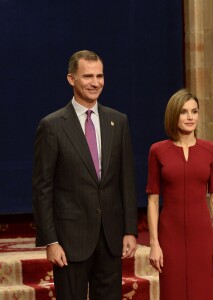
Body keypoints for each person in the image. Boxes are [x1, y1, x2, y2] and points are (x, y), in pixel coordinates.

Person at [32, 50, 138, 300]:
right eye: (88, 76)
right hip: (70, 240)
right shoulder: (52, 126)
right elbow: (42, 188)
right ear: (71, 79)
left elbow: (126, 180)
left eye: (100, 75)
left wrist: (130, 230)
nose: (95, 82)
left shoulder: (118, 121)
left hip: (110, 238)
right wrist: (51, 241)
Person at [146, 89, 213, 299]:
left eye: (194, 111)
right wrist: (155, 244)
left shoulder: (210, 150)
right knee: (173, 291)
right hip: (170, 235)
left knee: (203, 292)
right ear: (174, 115)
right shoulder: (158, 150)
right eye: (184, 112)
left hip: (202, 235)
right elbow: (153, 201)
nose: (190, 117)